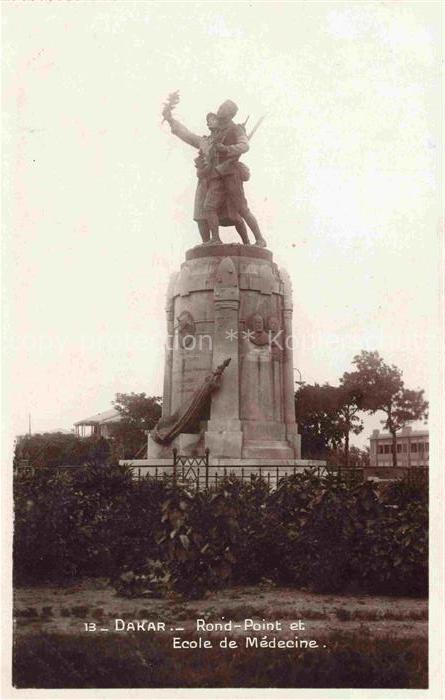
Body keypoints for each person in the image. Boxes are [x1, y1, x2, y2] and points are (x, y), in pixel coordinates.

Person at [163, 100, 266, 246]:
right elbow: (188, 135)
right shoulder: (214, 136)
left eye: (223, 108)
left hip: (230, 174)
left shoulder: (235, 129)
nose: (219, 109)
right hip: (215, 177)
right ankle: (215, 239)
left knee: (241, 209)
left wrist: (226, 149)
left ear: (231, 113)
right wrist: (171, 120)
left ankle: (260, 239)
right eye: (219, 106)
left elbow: (244, 145)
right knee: (209, 208)